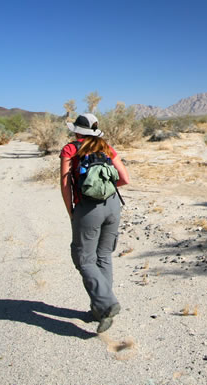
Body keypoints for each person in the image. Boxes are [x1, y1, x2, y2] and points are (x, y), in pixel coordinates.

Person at [60, 113, 130, 333]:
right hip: (112, 206)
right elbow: (125, 179)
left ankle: (106, 303)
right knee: (103, 255)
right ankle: (100, 309)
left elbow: (65, 184)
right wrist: (106, 189)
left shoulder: (71, 149)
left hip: (88, 208)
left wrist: (72, 209)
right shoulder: (106, 147)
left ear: (77, 130)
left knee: (84, 258)